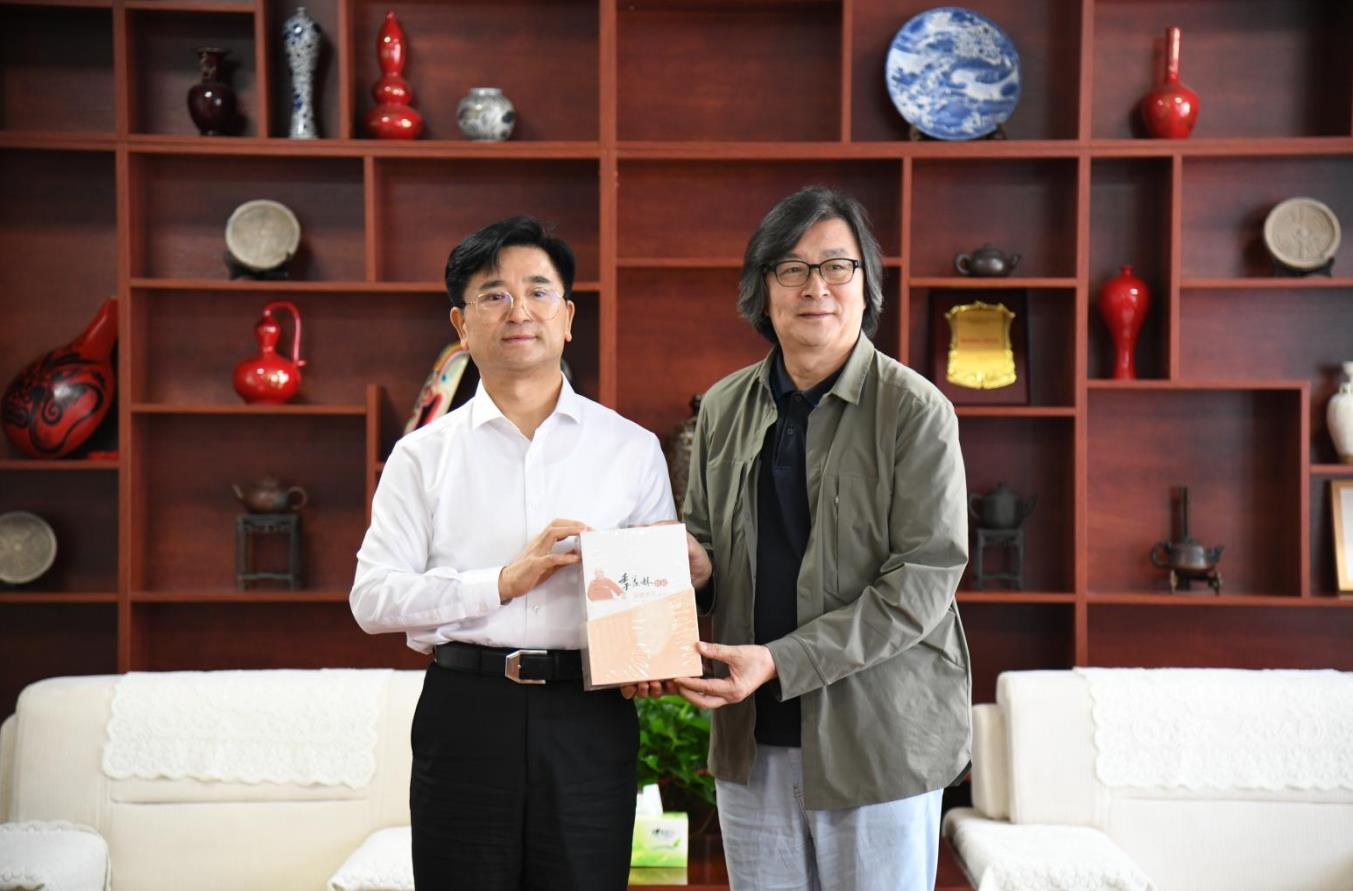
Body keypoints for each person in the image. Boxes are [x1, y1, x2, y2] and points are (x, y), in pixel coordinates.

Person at [661, 186, 972, 890]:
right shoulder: (722, 405)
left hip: (878, 741)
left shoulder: (914, 410)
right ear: (763, 289)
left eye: (836, 266)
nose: (815, 288)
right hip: (752, 737)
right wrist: (693, 567)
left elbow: (922, 581)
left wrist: (780, 660)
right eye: (792, 268)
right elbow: (707, 541)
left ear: (866, 285)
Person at [350, 216, 675, 890]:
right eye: (494, 295)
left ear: (568, 317)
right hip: (466, 714)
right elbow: (372, 599)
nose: (518, 310)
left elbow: (654, 597)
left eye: (538, 291)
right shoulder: (421, 456)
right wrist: (500, 581)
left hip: (588, 716)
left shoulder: (631, 448)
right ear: (461, 325)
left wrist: (653, 652)